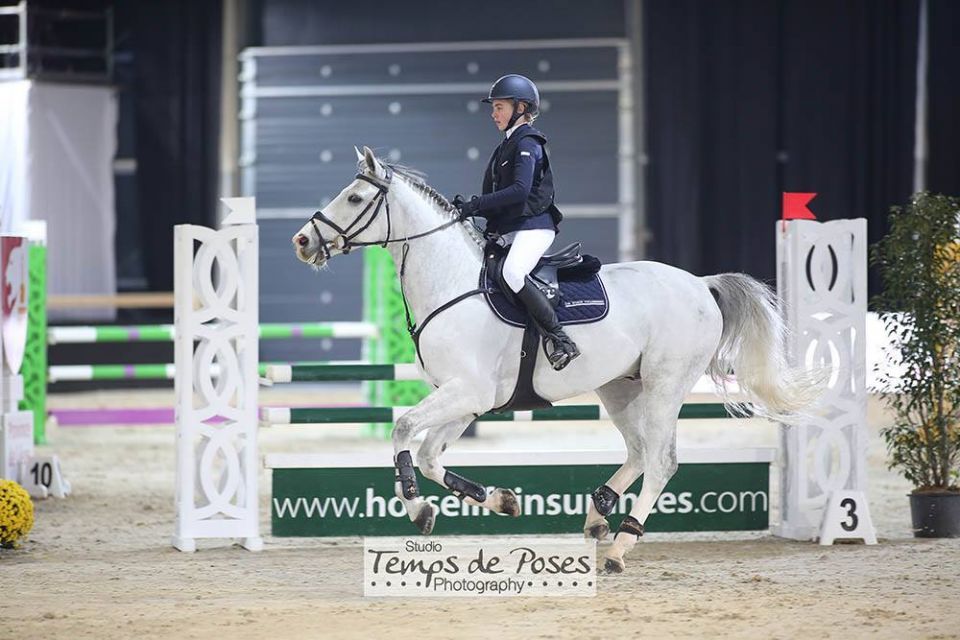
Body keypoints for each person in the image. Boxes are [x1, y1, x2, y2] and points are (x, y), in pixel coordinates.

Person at [453, 74, 580, 371]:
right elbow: (499, 198)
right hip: (514, 228)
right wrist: (468, 210)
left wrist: (476, 204)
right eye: (493, 108)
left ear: (521, 107)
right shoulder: (505, 147)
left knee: (512, 272)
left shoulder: (528, 142)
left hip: (535, 227)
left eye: (499, 107)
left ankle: (560, 338)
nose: (493, 114)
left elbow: (520, 192)